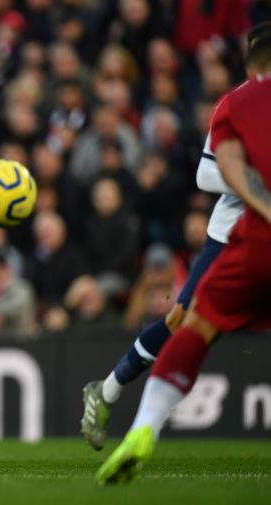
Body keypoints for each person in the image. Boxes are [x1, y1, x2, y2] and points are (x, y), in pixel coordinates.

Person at [80, 23, 271, 452]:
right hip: (233, 236)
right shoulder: (236, 104)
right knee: (182, 320)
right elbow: (205, 173)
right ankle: (108, 392)